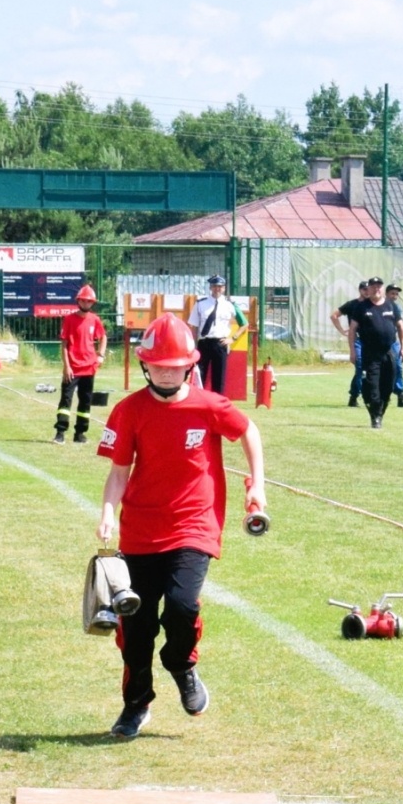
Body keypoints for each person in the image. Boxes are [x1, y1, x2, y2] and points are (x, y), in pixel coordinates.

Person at [95, 312, 265, 739]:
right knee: (136, 626)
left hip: (194, 524)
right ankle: (136, 704)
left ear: (190, 365)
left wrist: (257, 484)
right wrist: (108, 511)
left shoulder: (209, 406)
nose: (167, 374)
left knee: (182, 605)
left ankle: (181, 665)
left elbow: (249, 431)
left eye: (175, 366)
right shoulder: (129, 410)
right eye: (158, 366)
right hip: (140, 530)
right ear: (144, 364)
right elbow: (119, 471)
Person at [54, 284, 108, 444]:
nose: (86, 303)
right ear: (78, 301)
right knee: (66, 399)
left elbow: (103, 337)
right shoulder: (69, 319)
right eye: (83, 300)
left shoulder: (95, 319)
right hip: (72, 368)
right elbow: (64, 344)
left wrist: (100, 355)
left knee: (85, 401)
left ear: (93, 303)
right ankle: (60, 432)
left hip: (89, 368)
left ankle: (80, 433)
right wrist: (67, 366)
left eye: (89, 301)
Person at [345, 277, 400, 429]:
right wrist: (352, 351)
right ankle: (375, 416)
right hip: (370, 352)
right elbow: (352, 330)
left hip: (388, 352)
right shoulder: (361, 307)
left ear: (382, 288)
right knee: (372, 385)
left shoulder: (391, 305)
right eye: (373, 286)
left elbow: (401, 326)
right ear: (368, 289)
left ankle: (380, 412)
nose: (376, 289)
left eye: (379, 286)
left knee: (387, 386)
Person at [191, 275, 246, 396]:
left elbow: (244, 324)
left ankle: (218, 402)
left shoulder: (230, 305)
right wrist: (193, 346)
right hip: (204, 343)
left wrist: (233, 338)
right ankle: (198, 400)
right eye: (215, 286)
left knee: (219, 377)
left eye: (220, 286)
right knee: (199, 375)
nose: (217, 289)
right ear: (210, 287)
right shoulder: (200, 304)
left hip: (220, 343)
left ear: (224, 288)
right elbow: (194, 327)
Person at [332, 280, 370, 407]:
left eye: (368, 289)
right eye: (364, 289)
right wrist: (342, 331)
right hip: (358, 340)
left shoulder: (373, 304)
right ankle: (354, 396)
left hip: (371, 341)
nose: (367, 291)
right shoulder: (352, 304)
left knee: (372, 369)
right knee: (360, 367)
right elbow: (334, 315)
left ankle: (372, 395)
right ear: (360, 290)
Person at [386, 283, 403, 407]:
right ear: (386, 293)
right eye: (392, 293)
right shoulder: (377, 306)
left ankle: (401, 396)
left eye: (396, 294)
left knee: (398, 367)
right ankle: (383, 395)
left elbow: (401, 327)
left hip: (392, 342)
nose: (394, 296)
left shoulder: (396, 308)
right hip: (377, 343)